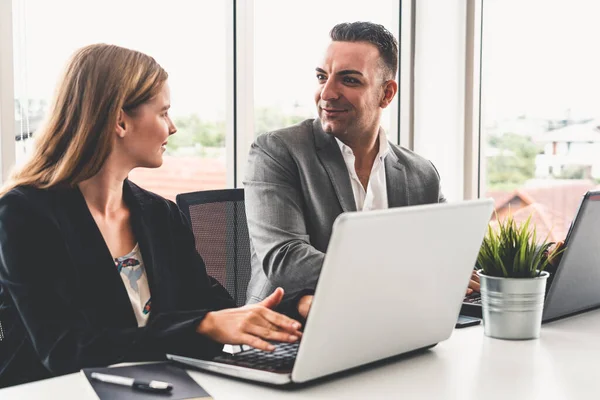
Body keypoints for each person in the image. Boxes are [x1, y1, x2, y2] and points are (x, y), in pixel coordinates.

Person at [0, 44, 309, 388]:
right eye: (163, 113)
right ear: (120, 120)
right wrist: (201, 326)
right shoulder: (25, 214)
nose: (173, 127)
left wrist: (296, 309)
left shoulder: (160, 214)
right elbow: (64, 349)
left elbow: (213, 308)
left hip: (155, 386)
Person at [244, 22, 480, 306]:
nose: (327, 93)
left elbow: (450, 252)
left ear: (387, 94)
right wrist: (403, 276)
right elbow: (287, 260)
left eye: (349, 80)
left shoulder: (421, 173)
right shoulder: (278, 151)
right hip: (288, 328)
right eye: (322, 77)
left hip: (397, 320)